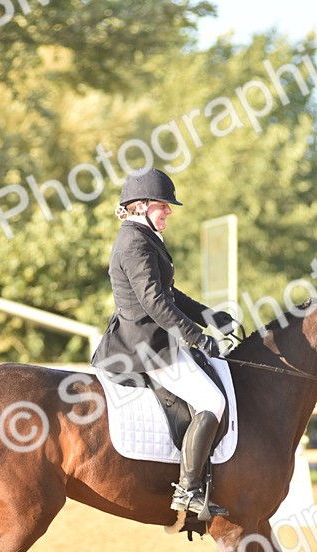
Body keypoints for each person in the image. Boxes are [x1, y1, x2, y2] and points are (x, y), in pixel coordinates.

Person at [91, 169, 236, 520]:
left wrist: (209, 317)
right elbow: (154, 302)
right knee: (212, 401)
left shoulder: (143, 237)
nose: (169, 210)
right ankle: (188, 490)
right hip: (145, 346)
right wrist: (196, 336)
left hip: (153, 339)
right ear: (141, 206)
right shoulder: (134, 242)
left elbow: (169, 293)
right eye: (163, 205)